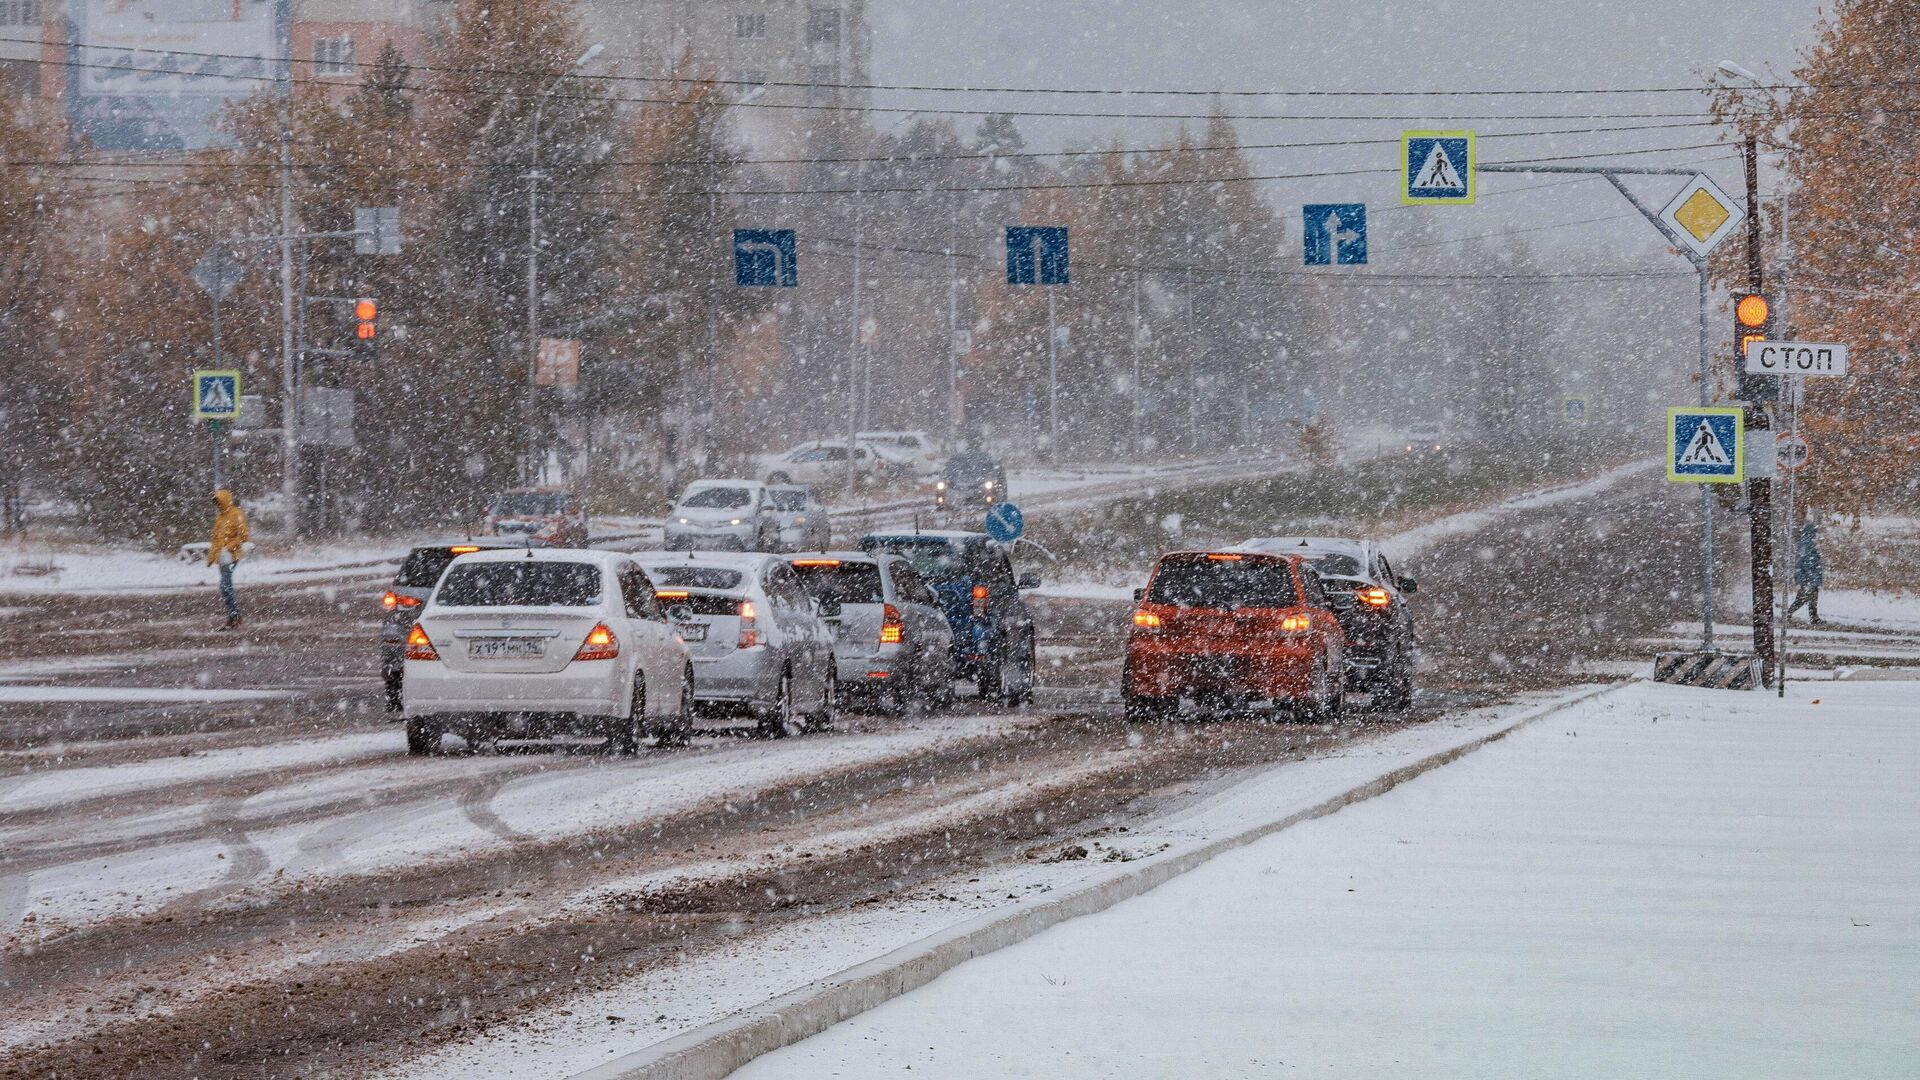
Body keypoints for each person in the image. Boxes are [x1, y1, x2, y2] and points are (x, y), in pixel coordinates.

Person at [208, 489, 250, 630]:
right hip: (222, 557)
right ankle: (233, 616)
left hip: (231, 556)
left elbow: (244, 536)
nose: (217, 504)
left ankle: (234, 616)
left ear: (224, 499)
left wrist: (229, 547)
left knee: (225, 586)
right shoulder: (220, 517)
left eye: (218, 501)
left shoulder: (236, 514)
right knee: (225, 587)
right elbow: (216, 539)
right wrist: (212, 556)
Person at [1786, 520, 1824, 626]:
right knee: (1803, 598)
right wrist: (1807, 577)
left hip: (1811, 577)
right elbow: (1803, 562)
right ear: (1811, 532)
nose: (1816, 535)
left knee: (1812, 597)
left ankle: (1814, 617)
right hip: (1809, 578)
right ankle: (1788, 614)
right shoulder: (1806, 544)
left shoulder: (1808, 543)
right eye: (1814, 532)